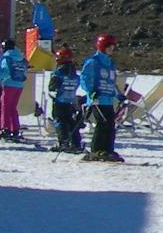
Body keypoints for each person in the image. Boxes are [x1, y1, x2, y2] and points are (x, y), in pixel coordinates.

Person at [80, 33, 125, 162]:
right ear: (102, 46)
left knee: (110, 124)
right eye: (109, 47)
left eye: (113, 47)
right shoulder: (93, 62)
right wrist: (91, 91)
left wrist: (118, 95)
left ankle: (108, 150)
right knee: (103, 123)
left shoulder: (110, 63)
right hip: (97, 99)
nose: (111, 50)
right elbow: (85, 78)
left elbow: (111, 82)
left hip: (108, 100)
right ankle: (96, 150)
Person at [48, 45, 84, 153]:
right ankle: (76, 142)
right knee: (70, 121)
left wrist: (54, 92)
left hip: (59, 100)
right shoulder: (73, 72)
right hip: (70, 100)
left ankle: (63, 142)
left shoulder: (58, 72)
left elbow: (52, 87)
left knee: (60, 121)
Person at [0, 37, 28, 141]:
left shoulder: (7, 57)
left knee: (5, 107)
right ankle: (15, 128)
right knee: (13, 108)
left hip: (9, 84)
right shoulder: (20, 57)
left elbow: (6, 71)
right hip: (19, 85)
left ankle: (5, 128)